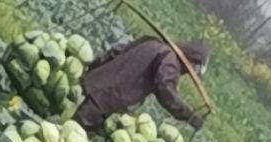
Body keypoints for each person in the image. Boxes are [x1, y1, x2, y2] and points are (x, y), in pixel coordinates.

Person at [73, 38, 211, 134]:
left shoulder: (153, 42)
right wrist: (189, 116)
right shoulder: (170, 62)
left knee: (75, 125)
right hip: (108, 100)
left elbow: (117, 51)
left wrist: (93, 69)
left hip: (97, 86)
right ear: (191, 63)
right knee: (73, 132)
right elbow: (166, 91)